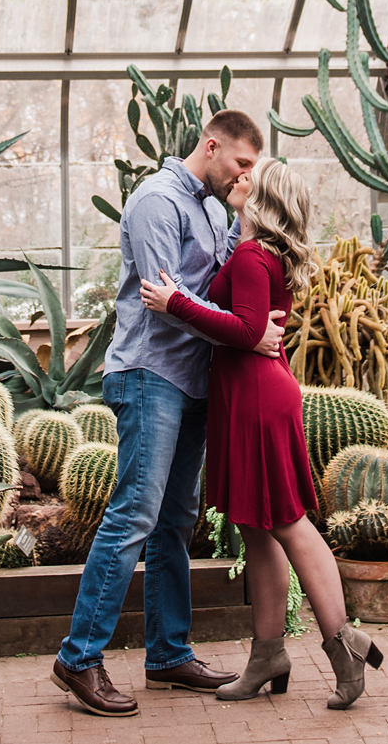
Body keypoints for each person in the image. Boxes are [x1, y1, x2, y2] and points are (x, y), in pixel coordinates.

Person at [50, 110, 281, 718]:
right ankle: (78, 658)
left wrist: (244, 316)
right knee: (134, 514)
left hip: (196, 379)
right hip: (151, 375)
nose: (248, 178)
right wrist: (246, 337)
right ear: (212, 146)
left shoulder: (213, 207)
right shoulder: (157, 200)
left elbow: (227, 284)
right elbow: (166, 299)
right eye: (242, 164)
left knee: (175, 522)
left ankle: (169, 654)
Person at [140, 157, 385, 710]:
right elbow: (254, 325)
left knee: (289, 522)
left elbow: (249, 330)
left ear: (264, 198)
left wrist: (174, 301)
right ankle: (267, 654)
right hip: (250, 394)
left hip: (255, 397)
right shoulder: (256, 250)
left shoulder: (253, 255)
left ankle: (342, 643)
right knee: (256, 528)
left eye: (252, 176)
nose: (239, 178)